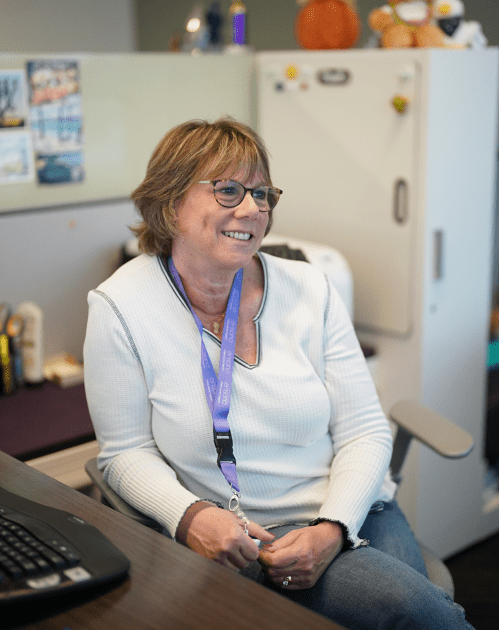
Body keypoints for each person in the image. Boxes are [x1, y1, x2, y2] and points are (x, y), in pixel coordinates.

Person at [84, 117, 474, 629]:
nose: (253, 209)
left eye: (263, 194)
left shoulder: (310, 290)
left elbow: (364, 429)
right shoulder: (121, 306)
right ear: (171, 201)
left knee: (422, 614)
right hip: (232, 535)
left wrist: (332, 527)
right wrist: (191, 517)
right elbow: (124, 453)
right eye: (228, 190)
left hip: (347, 511)